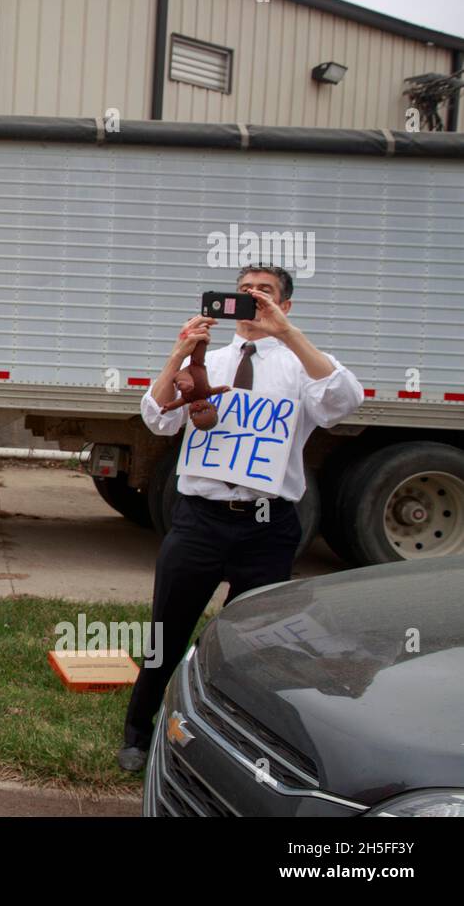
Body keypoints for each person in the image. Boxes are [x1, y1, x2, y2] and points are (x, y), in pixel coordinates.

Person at [116, 263, 364, 772]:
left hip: (267, 528)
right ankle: (139, 733)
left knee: (257, 644)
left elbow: (344, 401)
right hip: (199, 522)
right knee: (167, 631)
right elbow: (156, 417)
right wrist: (177, 354)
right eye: (246, 291)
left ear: (284, 305)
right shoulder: (211, 358)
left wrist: (287, 335)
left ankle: (242, 740)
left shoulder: (300, 366)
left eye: (265, 293)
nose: (253, 298)